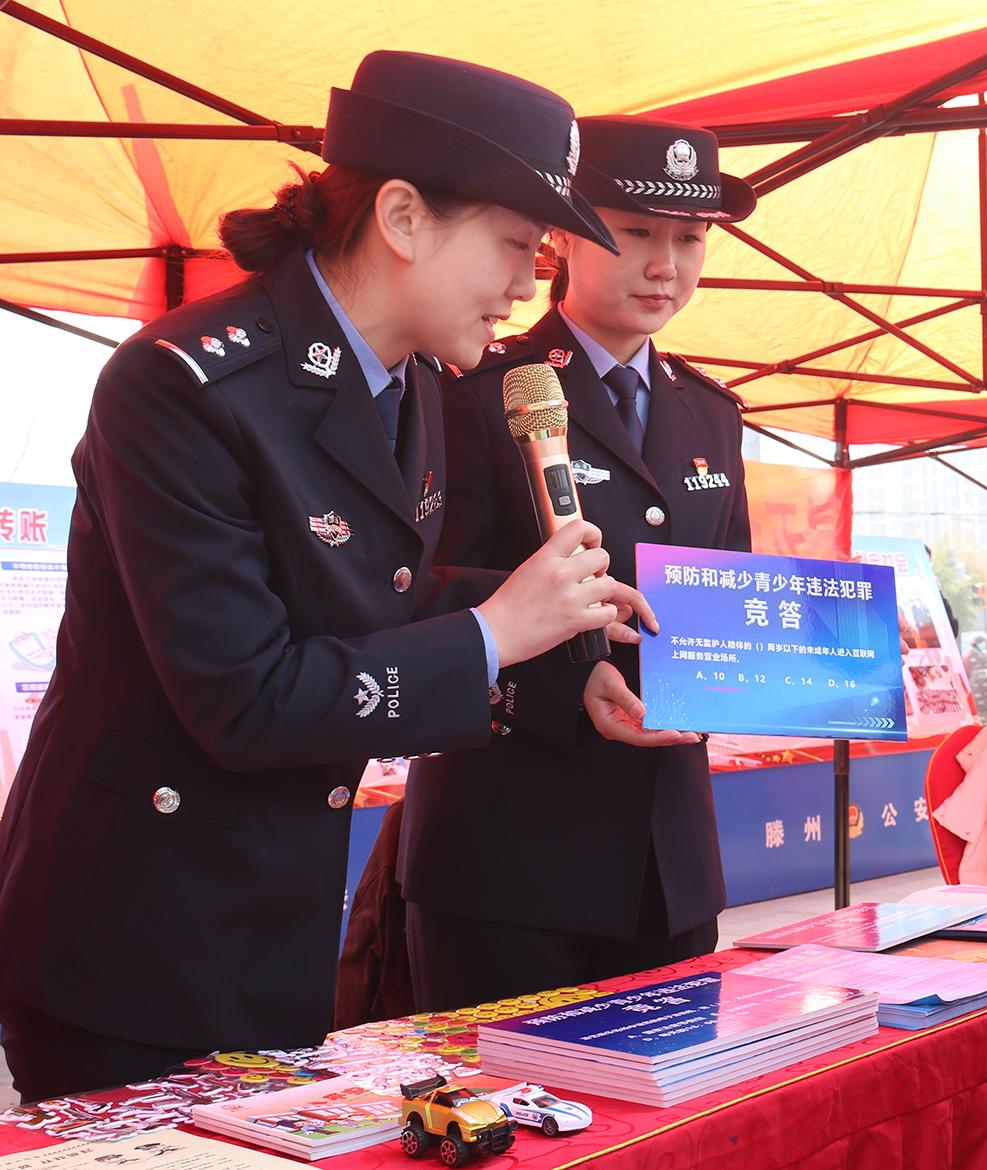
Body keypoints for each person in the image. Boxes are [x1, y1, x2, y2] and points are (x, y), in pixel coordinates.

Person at [0, 52, 652, 1102]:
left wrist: (549, 648)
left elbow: (368, 595)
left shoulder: (410, 386)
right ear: (403, 217)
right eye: (515, 243)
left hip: (277, 921)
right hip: (136, 940)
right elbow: (245, 697)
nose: (529, 284)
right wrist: (493, 631)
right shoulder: (183, 387)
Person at [400, 116, 756, 1009]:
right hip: (510, 857)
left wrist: (785, 674)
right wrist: (569, 682)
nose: (665, 265)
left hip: (670, 862)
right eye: (634, 232)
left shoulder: (712, 414)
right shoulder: (472, 389)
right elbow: (414, 592)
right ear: (563, 237)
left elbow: (732, 590)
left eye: (689, 239)